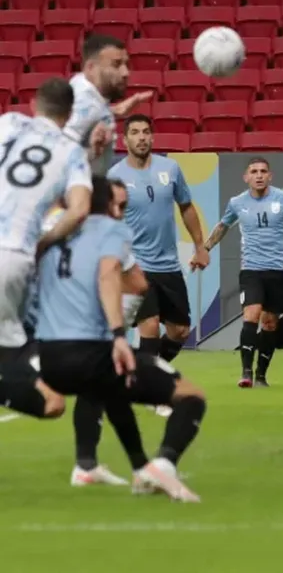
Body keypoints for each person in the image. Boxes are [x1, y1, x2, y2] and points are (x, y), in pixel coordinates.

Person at [35, 176, 206, 502]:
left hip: (47, 352)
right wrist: (116, 333)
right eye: (119, 205)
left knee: (103, 390)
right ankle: (162, 465)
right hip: (91, 349)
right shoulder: (110, 233)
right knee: (190, 396)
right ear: (102, 205)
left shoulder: (46, 230)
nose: (122, 212)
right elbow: (131, 282)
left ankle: (95, 466)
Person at [0, 78, 93, 361]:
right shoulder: (71, 151)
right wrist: (44, 242)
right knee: (14, 360)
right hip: (14, 254)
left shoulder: (9, 121)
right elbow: (79, 210)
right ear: (68, 114)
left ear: (33, 105)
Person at [108, 114, 209, 366]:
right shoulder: (115, 176)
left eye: (145, 132)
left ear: (152, 137)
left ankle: (148, 371)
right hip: (135, 265)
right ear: (125, 139)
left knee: (180, 331)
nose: (141, 137)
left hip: (169, 265)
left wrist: (200, 247)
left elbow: (186, 207)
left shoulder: (170, 168)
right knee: (150, 326)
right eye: (135, 132)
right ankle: (148, 386)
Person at [204, 157, 283, 387]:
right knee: (251, 315)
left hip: (278, 270)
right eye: (254, 171)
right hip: (251, 269)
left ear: (270, 176)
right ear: (246, 177)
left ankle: (261, 374)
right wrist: (205, 248)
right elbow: (223, 225)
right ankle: (245, 373)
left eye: (263, 171)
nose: (259, 175)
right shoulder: (237, 202)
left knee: (270, 323)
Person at [64, 34, 153, 174]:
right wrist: (92, 153)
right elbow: (57, 158)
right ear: (91, 67)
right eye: (116, 64)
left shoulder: (82, 84)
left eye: (126, 64)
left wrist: (114, 111)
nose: (125, 73)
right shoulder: (86, 104)